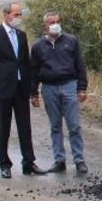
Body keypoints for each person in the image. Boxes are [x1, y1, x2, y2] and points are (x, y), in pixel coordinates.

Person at [0, 2, 46, 178]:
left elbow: (26, 63)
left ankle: (28, 162)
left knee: (25, 127)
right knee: (3, 128)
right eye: (15, 14)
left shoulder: (21, 35)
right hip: (2, 90)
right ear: (6, 15)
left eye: (20, 15)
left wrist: (32, 89)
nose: (18, 18)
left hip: (20, 89)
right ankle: (4, 164)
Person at [30, 10, 89, 174]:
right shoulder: (38, 46)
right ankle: (59, 160)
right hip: (49, 88)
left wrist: (82, 87)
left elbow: (80, 65)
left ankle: (79, 160)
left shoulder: (71, 41)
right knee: (55, 127)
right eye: (51, 22)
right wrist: (33, 93)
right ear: (45, 26)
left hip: (69, 86)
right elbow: (33, 71)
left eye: (57, 21)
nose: (55, 25)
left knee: (74, 126)